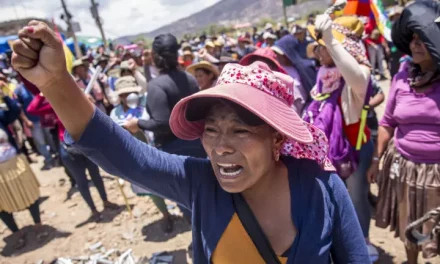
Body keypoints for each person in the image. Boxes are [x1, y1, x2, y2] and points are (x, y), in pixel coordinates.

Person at [10, 22, 370, 263]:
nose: (220, 146)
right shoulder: (200, 184)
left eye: (240, 130)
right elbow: (122, 153)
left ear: (277, 138)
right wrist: (56, 82)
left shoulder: (322, 187)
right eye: (211, 130)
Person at [369, 1, 440, 263]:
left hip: (437, 172)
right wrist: (376, 160)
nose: (415, 44)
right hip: (405, 169)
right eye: (412, 39)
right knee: (408, 223)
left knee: (437, 230)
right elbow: (387, 122)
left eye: (423, 39)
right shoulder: (401, 78)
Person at [306, 15, 378, 261]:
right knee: (334, 200)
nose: (318, 50)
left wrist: (332, 41)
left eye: (323, 45)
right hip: (328, 153)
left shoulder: (357, 76)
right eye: (318, 45)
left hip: (354, 150)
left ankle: (363, 243)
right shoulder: (323, 77)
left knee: (357, 199)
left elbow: (357, 78)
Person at [27, 91, 118, 221]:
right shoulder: (55, 107)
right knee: (81, 181)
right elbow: (32, 109)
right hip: (69, 150)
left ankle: (105, 201)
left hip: (87, 145)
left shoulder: (80, 102)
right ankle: (93, 209)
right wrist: (42, 94)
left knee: (96, 176)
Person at [109, 76, 174, 232]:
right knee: (151, 187)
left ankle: (185, 210)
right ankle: (166, 214)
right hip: (135, 156)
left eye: (131, 93)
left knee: (171, 182)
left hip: (155, 149)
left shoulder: (146, 106)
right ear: (120, 97)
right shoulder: (115, 113)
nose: (128, 97)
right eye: (124, 94)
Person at [0, 90, 42, 250]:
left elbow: (14, 111)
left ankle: (38, 222)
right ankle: (15, 231)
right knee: (2, 205)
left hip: (14, 163)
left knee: (30, 193)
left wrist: (4, 95)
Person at [14, 75, 55, 170]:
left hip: (45, 118)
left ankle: (57, 157)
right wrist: (26, 120)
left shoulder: (37, 84)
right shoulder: (18, 90)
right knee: (40, 143)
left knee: (51, 138)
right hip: (33, 122)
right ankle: (49, 160)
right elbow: (19, 108)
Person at [271, 35, 318, 114]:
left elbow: (314, 95)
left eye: (279, 53)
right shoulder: (279, 68)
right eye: (275, 52)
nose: (276, 56)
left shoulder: (305, 68)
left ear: (288, 54)